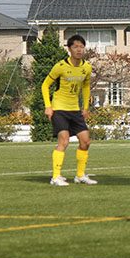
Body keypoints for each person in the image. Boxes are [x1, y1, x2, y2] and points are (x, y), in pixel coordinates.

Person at [42, 34, 96, 187]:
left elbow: (85, 87)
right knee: (64, 140)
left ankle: (80, 175)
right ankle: (56, 177)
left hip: (75, 110)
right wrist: (48, 106)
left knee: (86, 141)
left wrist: (85, 107)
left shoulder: (86, 67)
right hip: (59, 108)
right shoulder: (60, 66)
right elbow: (45, 85)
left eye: (81, 47)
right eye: (75, 47)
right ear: (69, 49)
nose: (79, 50)